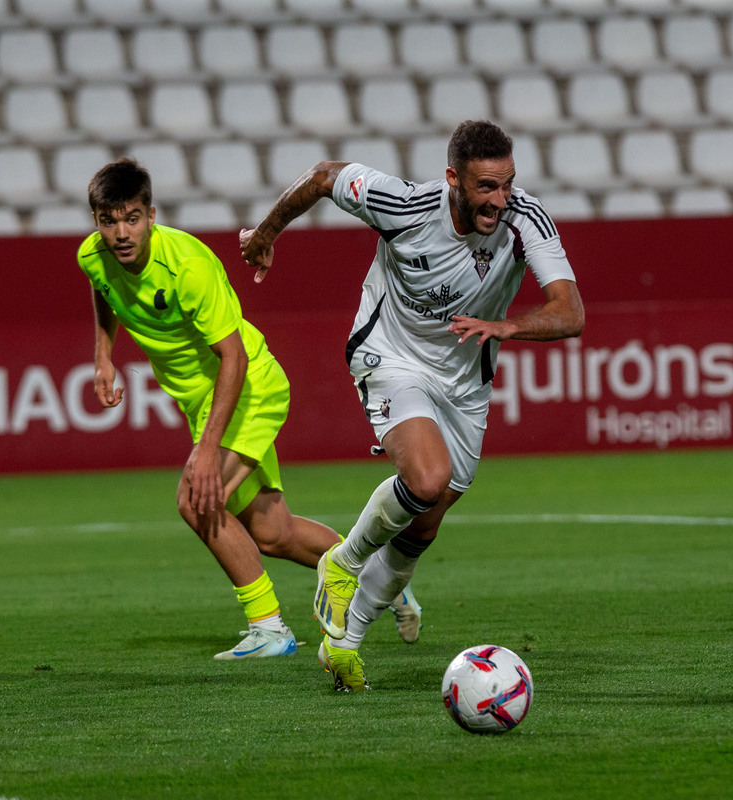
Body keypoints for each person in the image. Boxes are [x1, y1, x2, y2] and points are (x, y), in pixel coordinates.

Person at [240, 120, 585, 691]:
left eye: (507, 184)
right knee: (426, 478)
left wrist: (510, 325)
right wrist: (267, 234)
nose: (499, 200)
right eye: (485, 187)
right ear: (452, 178)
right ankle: (344, 561)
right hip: (391, 355)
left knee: (423, 527)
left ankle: (343, 645)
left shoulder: (525, 218)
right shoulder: (403, 205)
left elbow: (570, 312)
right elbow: (325, 176)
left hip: (465, 384)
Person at [77, 158, 421, 660]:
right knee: (272, 533)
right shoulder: (93, 256)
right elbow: (103, 288)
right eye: (109, 221)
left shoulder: (187, 267)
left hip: (249, 388)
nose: (120, 232)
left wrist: (206, 448)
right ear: (96, 222)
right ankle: (377, 580)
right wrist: (104, 355)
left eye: (132, 217)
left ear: (152, 214)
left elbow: (233, 357)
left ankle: (269, 628)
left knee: (197, 500)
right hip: (206, 403)